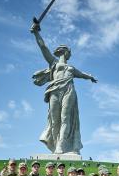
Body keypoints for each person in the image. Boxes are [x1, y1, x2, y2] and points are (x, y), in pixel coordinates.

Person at [30, 22, 97, 154]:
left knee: (66, 118)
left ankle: (61, 146)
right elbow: (43, 47)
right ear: (64, 52)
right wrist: (36, 33)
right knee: (55, 120)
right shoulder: (53, 63)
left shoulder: (71, 68)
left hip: (68, 90)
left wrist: (90, 77)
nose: (70, 54)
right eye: (69, 52)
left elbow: (82, 74)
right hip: (54, 90)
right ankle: (55, 145)